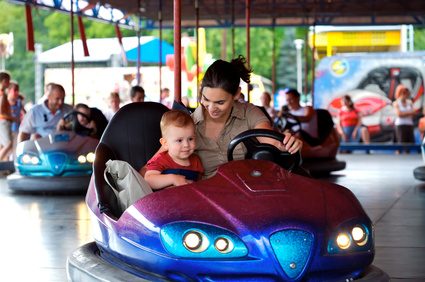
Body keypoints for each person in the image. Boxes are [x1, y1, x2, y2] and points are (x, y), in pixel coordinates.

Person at [141, 55, 302, 180]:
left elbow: (271, 139)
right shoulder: (187, 125)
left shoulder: (249, 113)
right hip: (207, 199)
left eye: (220, 102)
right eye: (206, 99)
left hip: (247, 191)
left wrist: (287, 143)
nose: (211, 108)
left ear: (237, 94)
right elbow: (150, 168)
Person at [144, 110, 204, 190]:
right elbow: (148, 180)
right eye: (179, 140)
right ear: (165, 143)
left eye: (190, 139)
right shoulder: (160, 160)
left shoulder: (196, 161)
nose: (186, 145)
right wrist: (173, 179)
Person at [0, 71, 19, 161]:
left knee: (2, 145)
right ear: (4, 81)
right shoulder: (2, 95)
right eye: (8, 81)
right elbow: (1, 112)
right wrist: (12, 118)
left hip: (4, 122)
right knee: (8, 145)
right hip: (3, 122)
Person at [393, 84, 416, 154]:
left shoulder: (409, 102)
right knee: (399, 146)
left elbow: (414, 112)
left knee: (408, 147)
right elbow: (399, 114)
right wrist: (409, 113)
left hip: (409, 125)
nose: (407, 95)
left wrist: (404, 113)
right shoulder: (396, 103)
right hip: (400, 126)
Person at [7, 81, 26, 160]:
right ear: (8, 91)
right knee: (6, 147)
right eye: (14, 90)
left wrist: (22, 120)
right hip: (6, 129)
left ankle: (13, 166)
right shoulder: (5, 102)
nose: (16, 92)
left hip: (16, 129)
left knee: (16, 147)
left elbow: (25, 113)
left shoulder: (18, 103)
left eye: (17, 90)